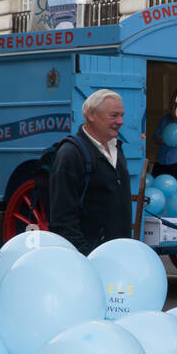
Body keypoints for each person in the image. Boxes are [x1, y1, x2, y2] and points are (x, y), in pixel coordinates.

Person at [49, 89, 132, 255]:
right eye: (114, 115)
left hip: (117, 255)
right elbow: (63, 218)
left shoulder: (117, 149)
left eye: (122, 115)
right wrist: (86, 257)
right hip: (90, 259)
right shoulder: (70, 154)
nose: (121, 121)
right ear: (91, 115)